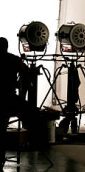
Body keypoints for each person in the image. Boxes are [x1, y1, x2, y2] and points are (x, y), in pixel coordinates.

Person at [0, 37, 49, 169]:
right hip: (10, 100)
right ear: (6, 47)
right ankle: (37, 143)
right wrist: (22, 92)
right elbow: (27, 73)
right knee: (33, 113)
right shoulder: (13, 59)